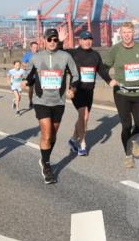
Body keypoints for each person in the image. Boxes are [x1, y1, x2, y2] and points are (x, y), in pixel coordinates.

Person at [23, 28, 79, 184]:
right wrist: (25, 82)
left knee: (53, 135)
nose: (53, 42)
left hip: (59, 101)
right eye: (50, 40)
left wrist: (72, 89)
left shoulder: (65, 57)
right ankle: (47, 166)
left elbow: (75, 75)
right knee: (47, 133)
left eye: (55, 40)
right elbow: (30, 76)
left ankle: (44, 158)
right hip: (41, 101)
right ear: (44, 40)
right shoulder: (36, 57)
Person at [104, 22, 139, 168]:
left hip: (138, 93)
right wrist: (109, 80)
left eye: (129, 32)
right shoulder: (115, 50)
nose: (126, 35)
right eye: (124, 32)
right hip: (121, 93)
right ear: (121, 34)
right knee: (126, 125)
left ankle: (134, 141)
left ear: (134, 33)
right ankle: (128, 155)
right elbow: (103, 68)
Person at [67, 30, 111, 156]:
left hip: (89, 91)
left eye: (89, 39)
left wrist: (110, 81)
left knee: (84, 117)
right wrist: (57, 40)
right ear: (79, 41)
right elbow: (59, 51)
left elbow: (101, 70)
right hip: (77, 89)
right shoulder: (73, 53)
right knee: (84, 115)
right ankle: (82, 144)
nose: (87, 41)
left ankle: (73, 139)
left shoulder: (95, 55)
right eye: (84, 39)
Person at [22, 41, 40, 111]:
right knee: (31, 90)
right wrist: (30, 66)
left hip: (39, 75)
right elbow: (23, 63)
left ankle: (38, 103)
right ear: (31, 47)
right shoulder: (27, 55)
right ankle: (30, 101)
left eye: (36, 47)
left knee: (38, 89)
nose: (35, 48)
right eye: (34, 47)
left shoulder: (40, 54)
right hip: (30, 75)